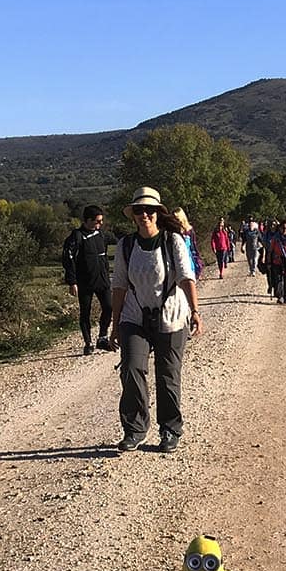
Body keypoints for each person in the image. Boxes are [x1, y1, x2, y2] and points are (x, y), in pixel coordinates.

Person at [112, 187, 200, 454]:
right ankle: (135, 429)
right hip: (135, 315)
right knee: (131, 367)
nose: (144, 215)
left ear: (157, 213)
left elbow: (186, 278)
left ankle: (170, 429)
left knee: (167, 374)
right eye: (138, 211)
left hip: (170, 315)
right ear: (133, 216)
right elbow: (119, 287)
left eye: (149, 210)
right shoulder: (126, 246)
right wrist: (115, 325)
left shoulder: (172, 241)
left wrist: (195, 311)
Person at [62, 204, 114, 356]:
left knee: (109, 307)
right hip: (84, 281)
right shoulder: (76, 237)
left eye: (101, 221)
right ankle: (88, 342)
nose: (100, 224)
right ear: (87, 220)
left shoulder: (100, 235)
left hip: (102, 280)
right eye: (97, 221)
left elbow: (103, 257)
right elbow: (68, 259)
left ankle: (102, 337)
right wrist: (72, 282)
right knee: (85, 312)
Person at [172, 207, 203, 280]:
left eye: (177, 218)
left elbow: (193, 248)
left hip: (189, 261)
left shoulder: (189, 231)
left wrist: (198, 263)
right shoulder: (171, 232)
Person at [267, 220, 286, 304]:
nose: (285, 230)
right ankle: (280, 297)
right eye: (283, 228)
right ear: (279, 228)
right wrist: (268, 262)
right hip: (277, 261)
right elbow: (270, 250)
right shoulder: (275, 238)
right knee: (278, 280)